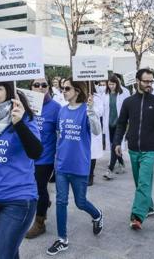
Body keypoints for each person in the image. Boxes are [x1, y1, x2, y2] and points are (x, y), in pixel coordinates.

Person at [0, 81, 42, 259]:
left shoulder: (23, 117)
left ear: (9, 91)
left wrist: (18, 123)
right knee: (9, 253)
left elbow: (36, 152)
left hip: (18, 200)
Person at [46, 79, 103, 256]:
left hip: (79, 165)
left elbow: (96, 131)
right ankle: (62, 239)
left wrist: (92, 111)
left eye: (67, 88)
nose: (64, 91)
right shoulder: (62, 111)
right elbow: (59, 134)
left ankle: (97, 214)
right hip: (62, 165)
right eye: (62, 88)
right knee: (61, 201)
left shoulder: (86, 110)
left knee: (80, 202)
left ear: (77, 91)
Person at [113, 69, 154, 230]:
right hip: (134, 148)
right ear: (137, 81)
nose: (149, 85)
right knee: (140, 182)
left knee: (143, 182)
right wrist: (117, 142)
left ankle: (137, 216)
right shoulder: (128, 102)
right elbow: (121, 123)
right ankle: (148, 206)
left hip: (150, 149)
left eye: (151, 82)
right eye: (146, 81)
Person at [26, 78, 61, 239]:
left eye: (44, 85)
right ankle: (43, 204)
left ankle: (40, 223)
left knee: (39, 189)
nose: (40, 88)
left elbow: (62, 133)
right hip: (26, 157)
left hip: (45, 158)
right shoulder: (25, 105)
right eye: (36, 85)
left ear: (49, 88)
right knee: (31, 188)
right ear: (31, 87)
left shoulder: (56, 108)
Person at [103, 75, 130, 180]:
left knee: (115, 145)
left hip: (119, 125)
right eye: (109, 84)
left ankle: (110, 170)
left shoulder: (122, 94)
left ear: (117, 84)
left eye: (113, 84)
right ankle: (122, 164)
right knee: (114, 145)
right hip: (109, 124)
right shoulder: (105, 95)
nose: (111, 86)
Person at [89, 82, 104, 186]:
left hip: (93, 128)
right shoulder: (76, 96)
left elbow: (100, 112)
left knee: (91, 153)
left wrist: (91, 106)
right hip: (80, 128)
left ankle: (90, 175)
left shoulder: (97, 97)